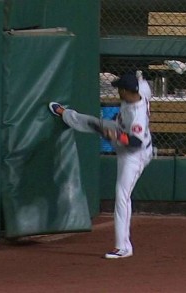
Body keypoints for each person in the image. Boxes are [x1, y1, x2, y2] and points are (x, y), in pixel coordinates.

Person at [48, 72, 153, 259]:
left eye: (121, 88)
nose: (118, 90)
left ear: (129, 91)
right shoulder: (141, 90)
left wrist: (116, 137)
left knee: (122, 195)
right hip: (121, 131)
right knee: (93, 122)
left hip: (134, 154)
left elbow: (135, 142)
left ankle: (123, 247)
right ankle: (64, 114)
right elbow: (142, 83)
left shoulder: (138, 116)